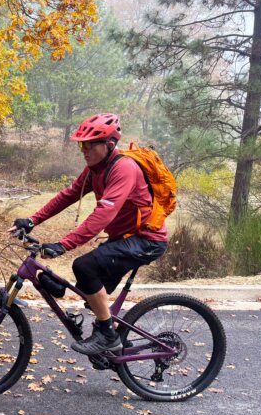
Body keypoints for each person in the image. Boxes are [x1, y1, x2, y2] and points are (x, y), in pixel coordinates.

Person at [9, 113, 168, 355]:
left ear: (109, 145)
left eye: (90, 144)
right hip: (124, 238)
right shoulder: (95, 169)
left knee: (84, 267)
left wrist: (65, 244)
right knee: (88, 287)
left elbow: (104, 213)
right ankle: (111, 338)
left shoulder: (124, 168)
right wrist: (32, 220)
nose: (84, 150)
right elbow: (68, 195)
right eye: (81, 144)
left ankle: (107, 336)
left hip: (146, 240)